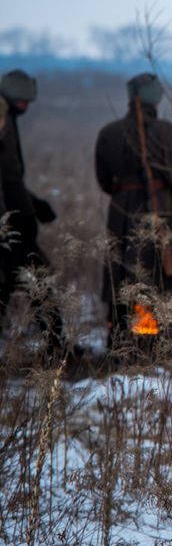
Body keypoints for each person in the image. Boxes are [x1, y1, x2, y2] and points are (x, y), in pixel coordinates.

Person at [94, 73, 172, 351]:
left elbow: (103, 180)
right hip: (161, 209)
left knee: (121, 274)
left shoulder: (108, 132)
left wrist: (125, 195)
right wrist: (166, 198)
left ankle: (118, 339)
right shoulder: (166, 131)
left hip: (121, 212)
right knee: (165, 277)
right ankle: (169, 339)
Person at [1, 69, 65, 357]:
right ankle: (56, 346)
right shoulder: (3, 117)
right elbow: (10, 177)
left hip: (8, 216)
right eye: (22, 101)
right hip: (8, 222)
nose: (25, 106)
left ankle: (56, 344)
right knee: (39, 278)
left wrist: (34, 203)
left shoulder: (7, 117)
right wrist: (26, 216)